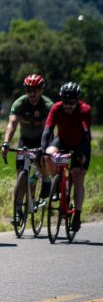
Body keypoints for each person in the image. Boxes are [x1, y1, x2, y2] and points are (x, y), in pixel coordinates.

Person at [0, 74, 54, 223]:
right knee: (21, 177)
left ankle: (46, 178)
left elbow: (51, 127)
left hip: (42, 140)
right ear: (25, 90)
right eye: (29, 89)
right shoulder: (19, 104)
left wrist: (47, 148)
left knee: (41, 161)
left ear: (41, 90)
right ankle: (17, 211)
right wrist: (6, 143)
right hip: (24, 140)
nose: (32, 93)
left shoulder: (47, 105)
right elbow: (11, 125)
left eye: (36, 90)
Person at [41, 82, 91, 232]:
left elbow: (85, 134)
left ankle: (77, 214)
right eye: (65, 102)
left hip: (80, 144)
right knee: (47, 156)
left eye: (71, 103)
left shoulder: (84, 110)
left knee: (77, 176)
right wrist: (43, 150)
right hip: (61, 140)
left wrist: (80, 153)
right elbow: (47, 131)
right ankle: (56, 184)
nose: (68, 106)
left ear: (77, 100)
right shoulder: (56, 108)